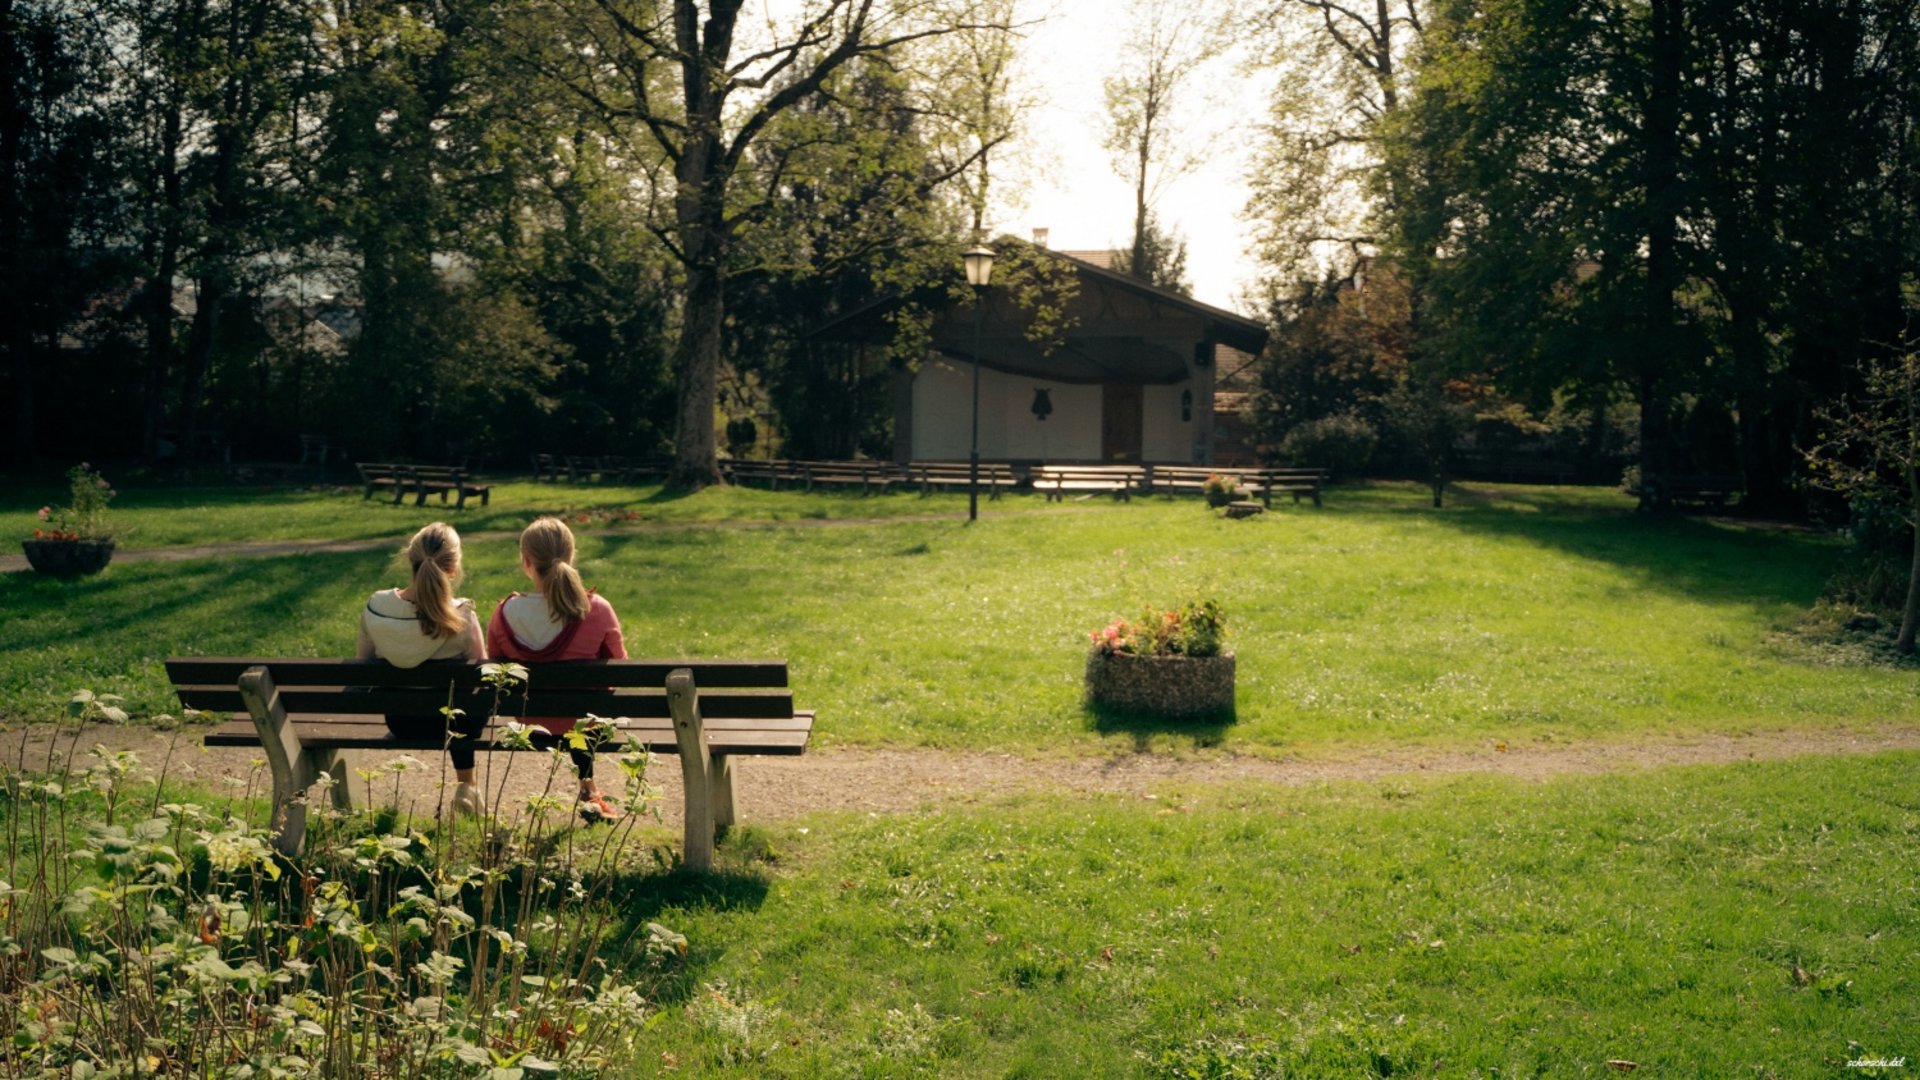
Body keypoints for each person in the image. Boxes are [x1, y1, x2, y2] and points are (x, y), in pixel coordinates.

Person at [486, 517, 626, 820]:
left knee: (575, 711)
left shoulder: (504, 613)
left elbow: (495, 666)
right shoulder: (596, 609)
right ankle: (590, 791)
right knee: (583, 713)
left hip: (530, 723)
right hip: (587, 724)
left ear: (526, 561)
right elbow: (620, 667)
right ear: (571, 556)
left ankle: (589, 789)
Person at [356, 522, 488, 816]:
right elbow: (481, 671)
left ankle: (468, 787)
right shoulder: (463, 614)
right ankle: (468, 786)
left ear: (409, 559)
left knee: (458, 703)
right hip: (458, 726)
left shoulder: (376, 606)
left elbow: (363, 665)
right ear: (453, 568)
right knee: (464, 704)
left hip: (402, 722)